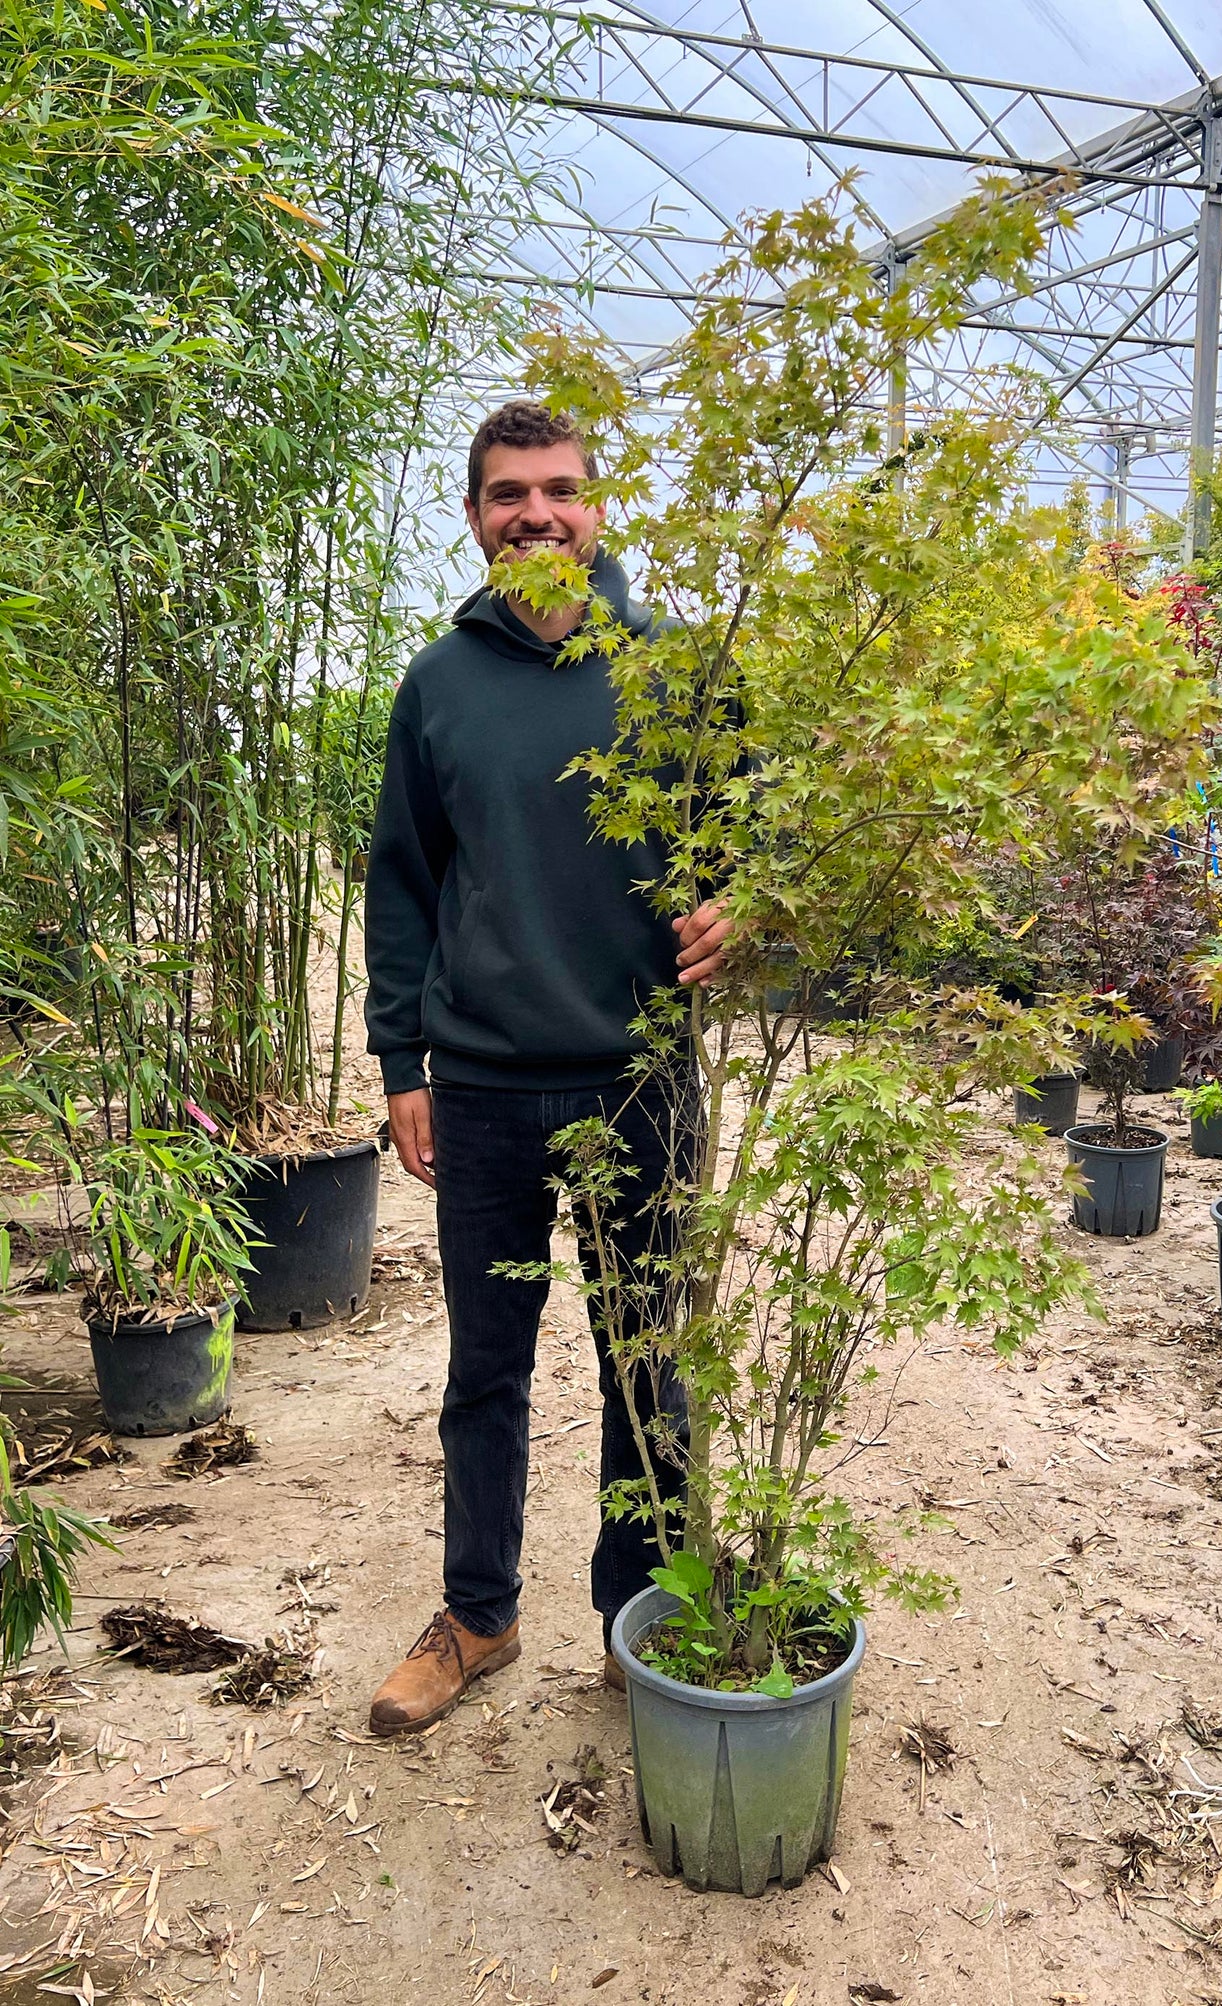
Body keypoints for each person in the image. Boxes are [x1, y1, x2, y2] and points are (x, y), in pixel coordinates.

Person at [362, 399, 730, 1735]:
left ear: (595, 508)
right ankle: (478, 1612)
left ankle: (645, 1614)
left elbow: (754, 831)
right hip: (485, 1083)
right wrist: (398, 1053)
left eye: (559, 490)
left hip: (641, 1078)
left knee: (648, 1362)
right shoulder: (437, 686)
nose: (536, 513)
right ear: (473, 518)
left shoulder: (675, 673)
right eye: (508, 493)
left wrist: (741, 907)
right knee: (486, 1373)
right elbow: (401, 881)